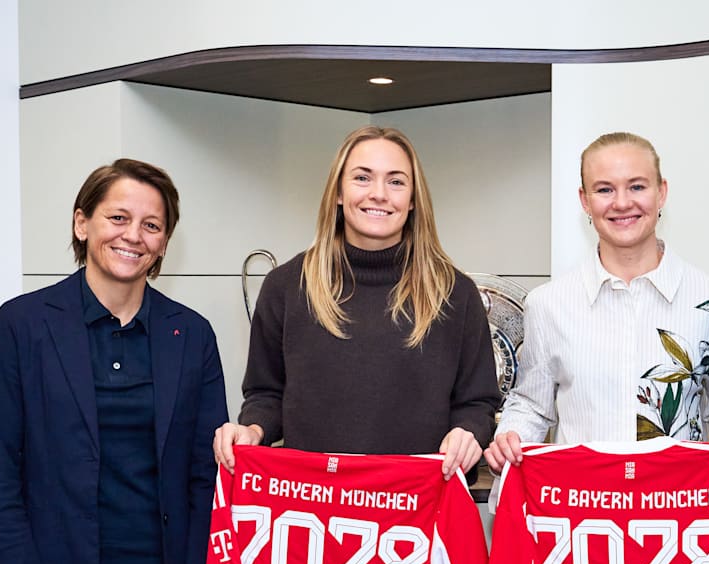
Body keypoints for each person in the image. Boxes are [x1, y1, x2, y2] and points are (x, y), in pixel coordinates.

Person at [0, 159, 227, 564]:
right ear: (82, 222)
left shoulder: (191, 334)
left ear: (164, 244)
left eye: (151, 225)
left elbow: (205, 475)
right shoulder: (22, 325)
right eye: (118, 218)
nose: (134, 235)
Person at [212, 126, 500, 480]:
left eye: (396, 182)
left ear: (412, 200)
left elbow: (478, 403)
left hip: (418, 509)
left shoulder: (454, 293)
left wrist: (468, 432)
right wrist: (252, 429)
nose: (379, 194)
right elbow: (265, 393)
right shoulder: (286, 287)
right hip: (316, 506)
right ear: (337, 191)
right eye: (362, 178)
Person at [485, 132, 709, 475]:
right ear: (585, 201)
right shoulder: (547, 305)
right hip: (583, 508)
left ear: (661, 192)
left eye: (637, 186)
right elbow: (531, 406)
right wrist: (510, 437)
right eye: (604, 189)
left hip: (675, 508)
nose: (621, 203)